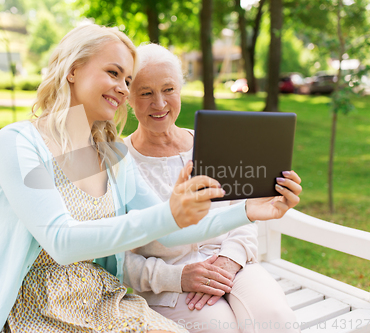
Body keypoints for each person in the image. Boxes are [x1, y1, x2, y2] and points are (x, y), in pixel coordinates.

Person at [0, 25, 301, 333]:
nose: (122, 87)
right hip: (39, 306)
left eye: (127, 79)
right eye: (113, 73)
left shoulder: (110, 152)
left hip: (102, 298)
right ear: (72, 70)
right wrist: (170, 215)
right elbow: (61, 243)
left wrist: (247, 211)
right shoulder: (17, 142)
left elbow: (173, 233)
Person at [123, 43, 302, 333]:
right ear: (128, 96)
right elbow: (117, 255)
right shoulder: (119, 161)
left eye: (168, 89)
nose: (159, 103)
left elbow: (244, 213)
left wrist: (230, 259)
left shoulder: (213, 141)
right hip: (168, 283)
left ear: (180, 90)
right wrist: (177, 277)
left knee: (275, 320)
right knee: (219, 328)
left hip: (232, 262)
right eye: (145, 93)